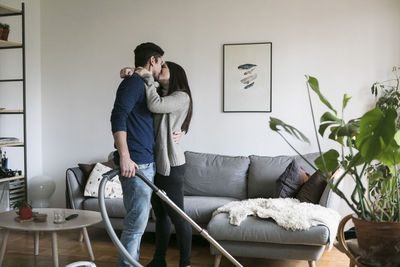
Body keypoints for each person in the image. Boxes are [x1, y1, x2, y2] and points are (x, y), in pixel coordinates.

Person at [120, 61, 193, 267]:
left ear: (175, 74)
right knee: (160, 216)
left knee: (178, 217)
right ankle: (158, 260)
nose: (159, 70)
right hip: (155, 162)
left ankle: (185, 264)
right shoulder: (158, 91)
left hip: (172, 164)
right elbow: (147, 97)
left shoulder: (181, 96)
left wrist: (148, 78)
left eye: (164, 68)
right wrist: (130, 72)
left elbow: (155, 105)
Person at [111, 42, 164, 267]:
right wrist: (124, 155)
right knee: (135, 226)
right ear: (152, 60)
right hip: (136, 163)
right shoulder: (133, 84)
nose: (161, 68)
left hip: (145, 160)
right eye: (160, 63)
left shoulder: (142, 83)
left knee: (138, 225)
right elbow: (117, 117)